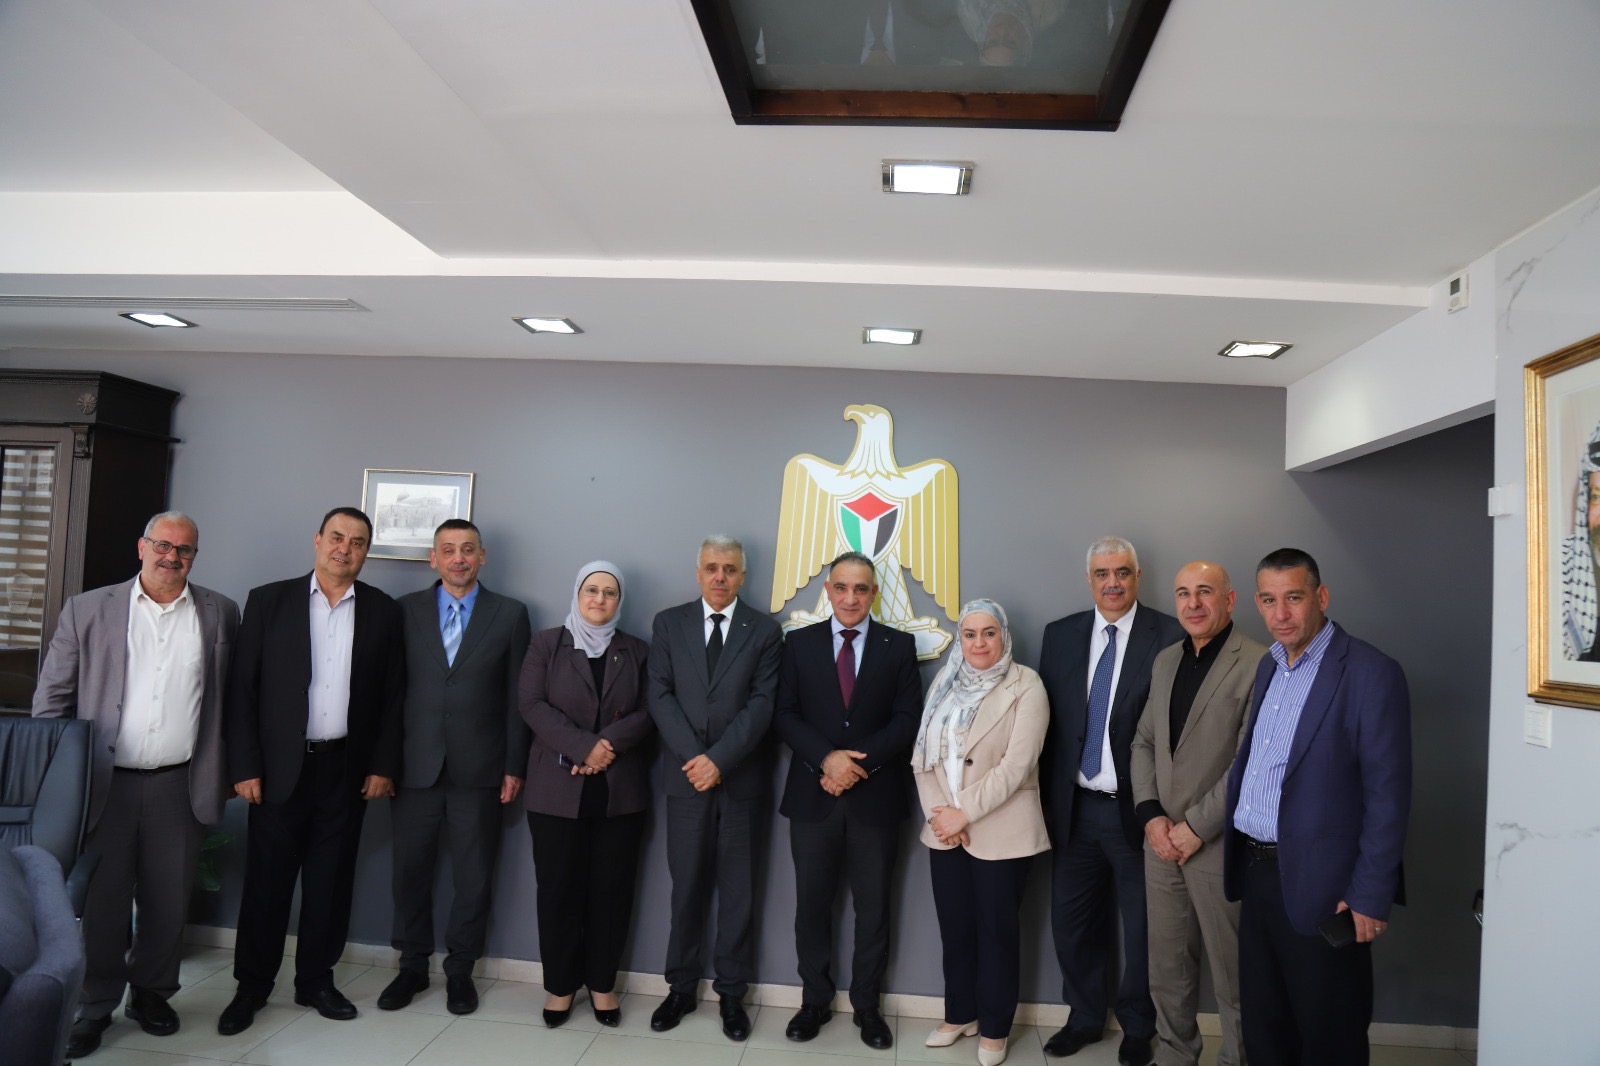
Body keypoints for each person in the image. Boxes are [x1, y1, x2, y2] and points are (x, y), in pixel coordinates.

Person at [32, 512, 239, 1058]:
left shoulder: (220, 612)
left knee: (168, 899)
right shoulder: (88, 609)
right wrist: (55, 781)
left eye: (185, 549)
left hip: (180, 782)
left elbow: (230, 698)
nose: (173, 556)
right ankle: (95, 1004)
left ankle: (151, 994)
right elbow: (52, 699)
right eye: (163, 545)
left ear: (195, 556)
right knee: (102, 903)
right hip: (104, 783)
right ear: (142, 547)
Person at [218, 507, 404, 1035]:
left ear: (366, 552)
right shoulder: (269, 601)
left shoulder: (383, 611)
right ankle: (252, 987)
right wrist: (245, 766)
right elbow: (242, 691)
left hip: (345, 769)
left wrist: (382, 765)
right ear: (318, 540)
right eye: (337, 537)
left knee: (330, 883)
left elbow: (393, 697)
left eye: (358, 542)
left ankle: (316, 981)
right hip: (278, 770)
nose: (345, 548)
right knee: (267, 885)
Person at [1224, 548, 1411, 1065]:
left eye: (1294, 598)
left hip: (1328, 889)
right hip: (1258, 875)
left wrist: (1370, 894)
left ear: (1321, 596)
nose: (1281, 613)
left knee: (1330, 1036)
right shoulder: (1269, 665)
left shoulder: (1371, 672)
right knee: (1266, 1028)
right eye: (1269, 601)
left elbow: (1388, 796)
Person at [1038, 535, 1182, 1065]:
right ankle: (1083, 1018)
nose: (1113, 583)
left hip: (1138, 811)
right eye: (1102, 574)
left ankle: (1139, 1027)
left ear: (1137, 576)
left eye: (1122, 572)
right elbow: (1048, 724)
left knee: (1143, 928)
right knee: (1073, 923)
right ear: (1089, 579)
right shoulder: (1060, 635)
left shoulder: (1169, 634)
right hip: (1074, 808)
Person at [378, 520, 531, 1016]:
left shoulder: (510, 614)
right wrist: (385, 763)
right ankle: (411, 967)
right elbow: (390, 694)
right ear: (434, 558)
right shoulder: (405, 611)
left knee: (474, 877)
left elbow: (517, 699)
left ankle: (461, 970)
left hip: (480, 769)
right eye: (448, 550)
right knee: (409, 873)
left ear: (482, 556)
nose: (458, 558)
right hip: (414, 768)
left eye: (467, 549)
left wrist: (514, 765)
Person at [773, 551, 922, 1050]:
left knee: (873, 909)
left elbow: (907, 719)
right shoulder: (799, 643)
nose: (851, 598)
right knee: (811, 905)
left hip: (875, 797)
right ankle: (813, 1001)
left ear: (874, 594)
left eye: (861, 589)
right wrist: (827, 760)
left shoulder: (898, 646)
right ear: (829, 591)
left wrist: (856, 766)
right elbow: (785, 714)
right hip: (813, 796)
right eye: (841, 587)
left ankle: (867, 1007)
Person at [1128, 561, 1266, 1066]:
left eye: (1204, 592)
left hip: (1218, 845)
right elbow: (1144, 742)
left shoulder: (1259, 662)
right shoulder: (1166, 660)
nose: (1192, 603)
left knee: (1234, 975)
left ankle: (1240, 1059)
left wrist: (1195, 828)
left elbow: (1251, 763)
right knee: (1167, 969)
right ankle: (1175, 1055)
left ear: (1229, 600)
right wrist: (1150, 816)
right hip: (1160, 841)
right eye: (1183, 593)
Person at [646, 534, 782, 1042]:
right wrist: (696, 761)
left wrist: (719, 761)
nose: (719, 577)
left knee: (739, 893)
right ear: (698, 572)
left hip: (741, 782)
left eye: (729, 569)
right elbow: (659, 696)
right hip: (686, 782)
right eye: (711, 568)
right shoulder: (669, 623)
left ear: (742, 575)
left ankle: (731, 994)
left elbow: (762, 705)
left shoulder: (764, 631)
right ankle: (680, 989)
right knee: (686, 889)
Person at [519, 561, 654, 1028]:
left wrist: (604, 748)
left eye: (609, 592)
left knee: (611, 893)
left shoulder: (637, 651)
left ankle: (601, 985)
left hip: (619, 793)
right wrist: (583, 747)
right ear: (577, 594)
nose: (599, 599)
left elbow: (649, 711)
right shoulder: (546, 644)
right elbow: (531, 703)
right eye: (591, 590)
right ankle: (560, 987)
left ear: (620, 600)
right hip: (555, 791)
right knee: (558, 891)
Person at [914, 599, 1049, 1066]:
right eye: (969, 634)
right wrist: (940, 817)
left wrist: (963, 814)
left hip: (1002, 830)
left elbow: (1017, 765)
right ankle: (960, 1014)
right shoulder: (944, 682)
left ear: (1003, 636)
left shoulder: (1026, 685)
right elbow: (922, 757)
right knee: (956, 929)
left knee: (997, 934)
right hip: (944, 832)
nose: (979, 643)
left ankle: (994, 1028)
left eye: (988, 633)